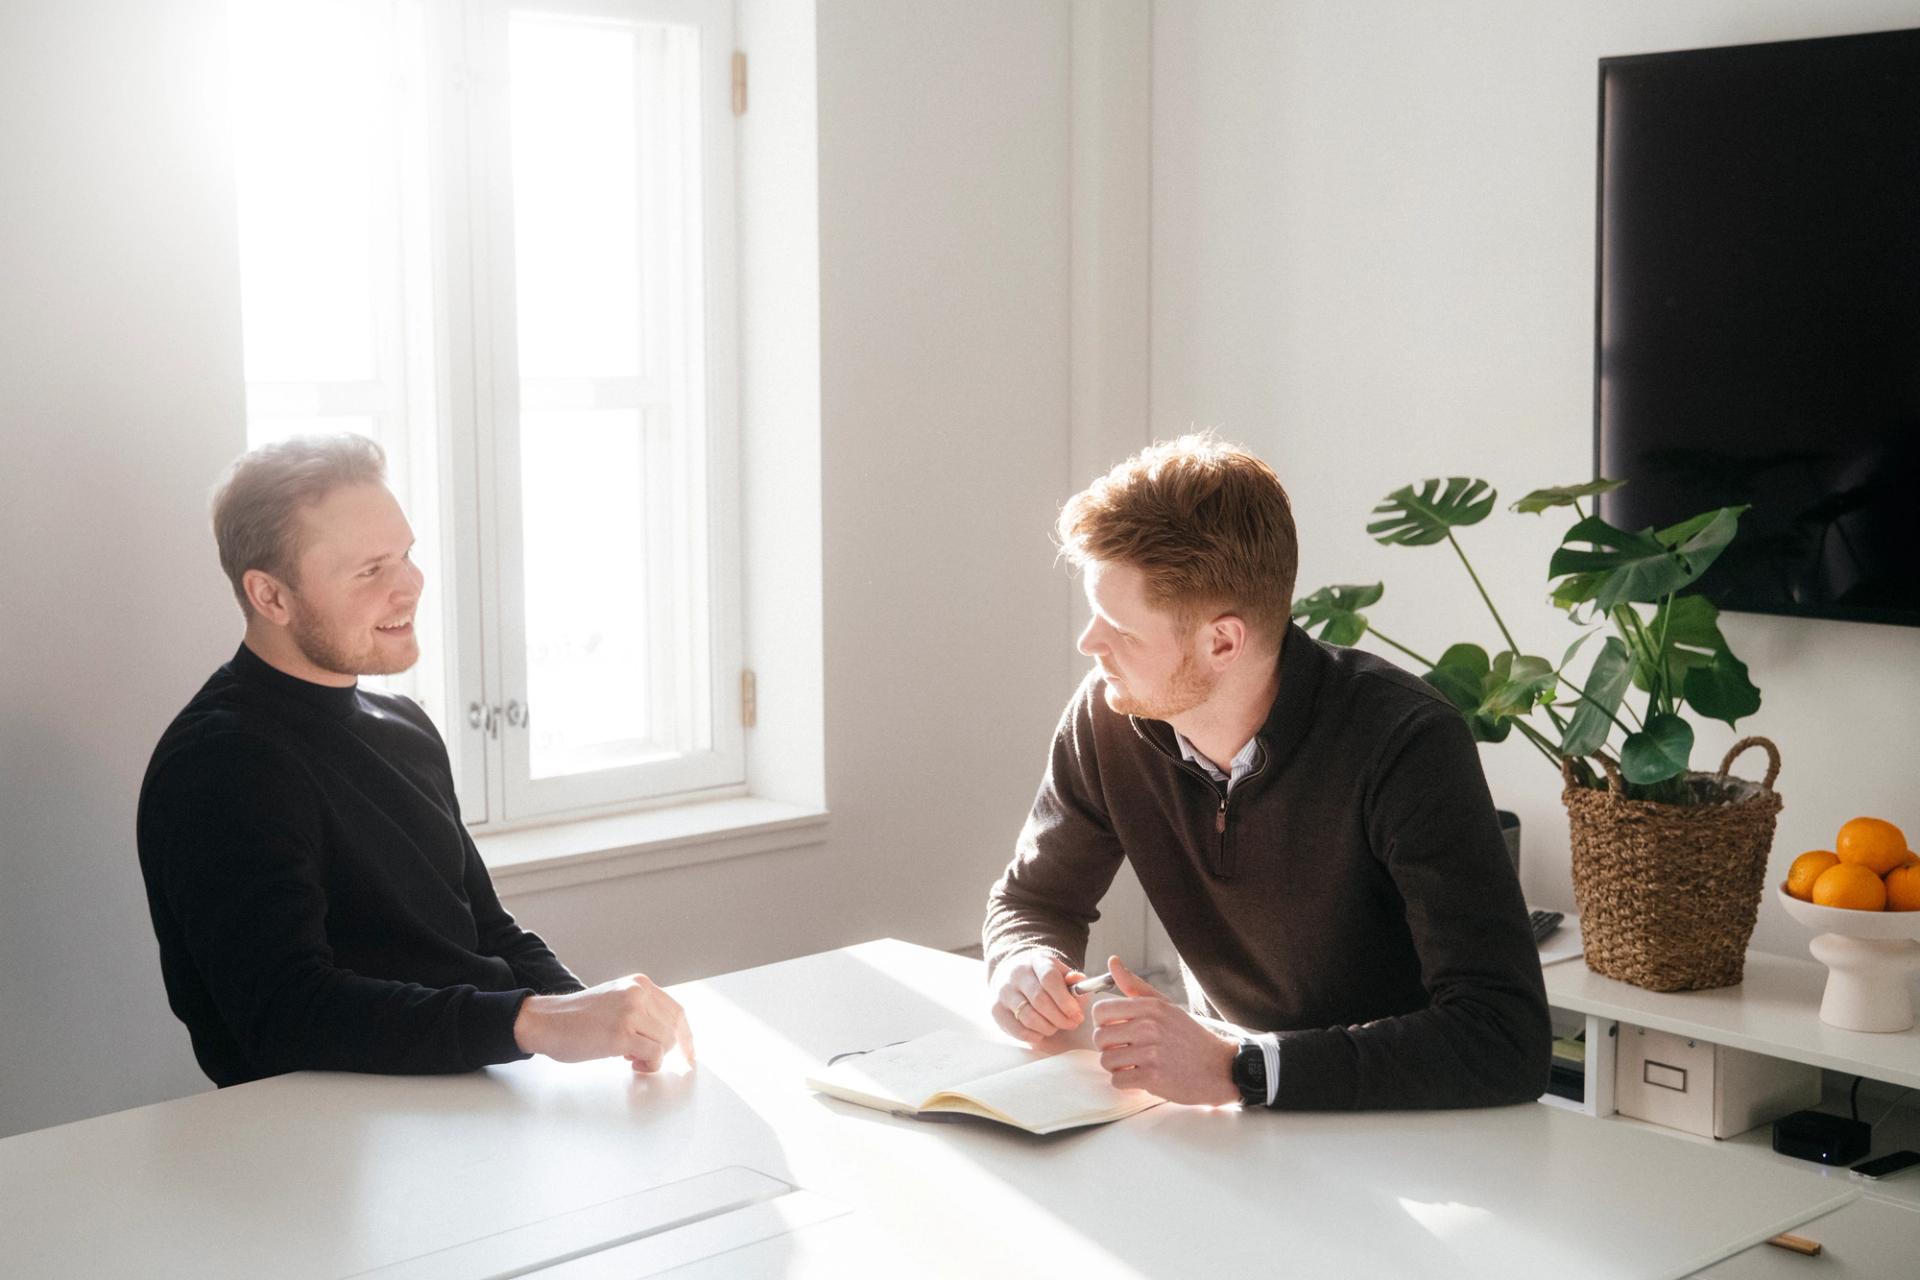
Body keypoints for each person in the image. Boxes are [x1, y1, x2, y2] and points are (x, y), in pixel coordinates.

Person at [983, 434, 1550, 1111]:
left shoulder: (1406, 742)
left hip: (1409, 1124)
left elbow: (1503, 1037)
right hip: (1241, 1123)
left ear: (1222, 640)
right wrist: (1024, 963)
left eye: (1121, 629)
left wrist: (1241, 1068)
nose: (1089, 644)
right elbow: (1035, 903)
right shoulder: (1107, 720)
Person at [137, 433, 693, 1087]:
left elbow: (486, 930)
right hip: (339, 1148)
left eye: (405, 555)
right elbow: (285, 1016)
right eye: (371, 571)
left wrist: (594, 1022)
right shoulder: (222, 765)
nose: (411, 586)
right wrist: (537, 1022)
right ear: (271, 597)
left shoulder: (403, 725)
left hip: (475, 1100)